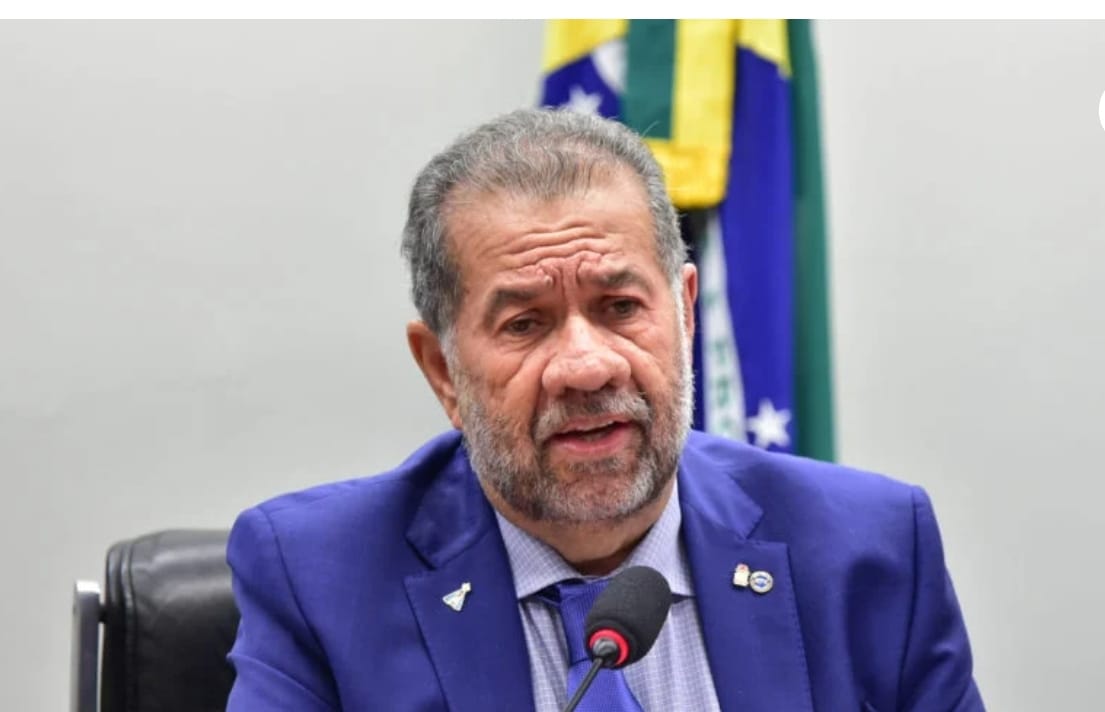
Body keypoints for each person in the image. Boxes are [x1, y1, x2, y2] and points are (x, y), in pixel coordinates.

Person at [224, 108, 984, 711]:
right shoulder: (318, 579)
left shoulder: (871, 550)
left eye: (620, 307)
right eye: (525, 324)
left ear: (684, 314)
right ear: (443, 372)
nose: (587, 367)